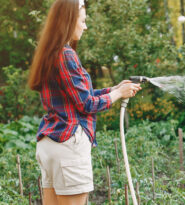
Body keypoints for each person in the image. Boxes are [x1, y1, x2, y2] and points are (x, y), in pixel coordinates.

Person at [28, 0, 141, 204]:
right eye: (83, 21)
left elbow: (78, 96)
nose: (85, 26)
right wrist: (117, 95)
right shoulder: (66, 54)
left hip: (50, 143)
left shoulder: (49, 53)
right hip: (68, 143)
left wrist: (115, 89)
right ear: (69, 21)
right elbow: (86, 105)